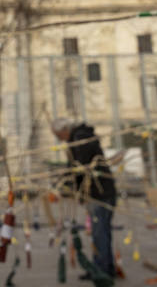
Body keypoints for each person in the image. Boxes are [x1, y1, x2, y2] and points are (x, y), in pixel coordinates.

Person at [52, 118, 117, 279]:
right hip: (101, 192)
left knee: (100, 233)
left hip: (99, 193)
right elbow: (75, 167)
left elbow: (79, 168)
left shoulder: (80, 139)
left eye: (59, 135)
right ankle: (104, 267)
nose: (60, 139)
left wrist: (66, 184)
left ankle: (102, 271)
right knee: (101, 232)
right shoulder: (80, 137)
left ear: (65, 130)